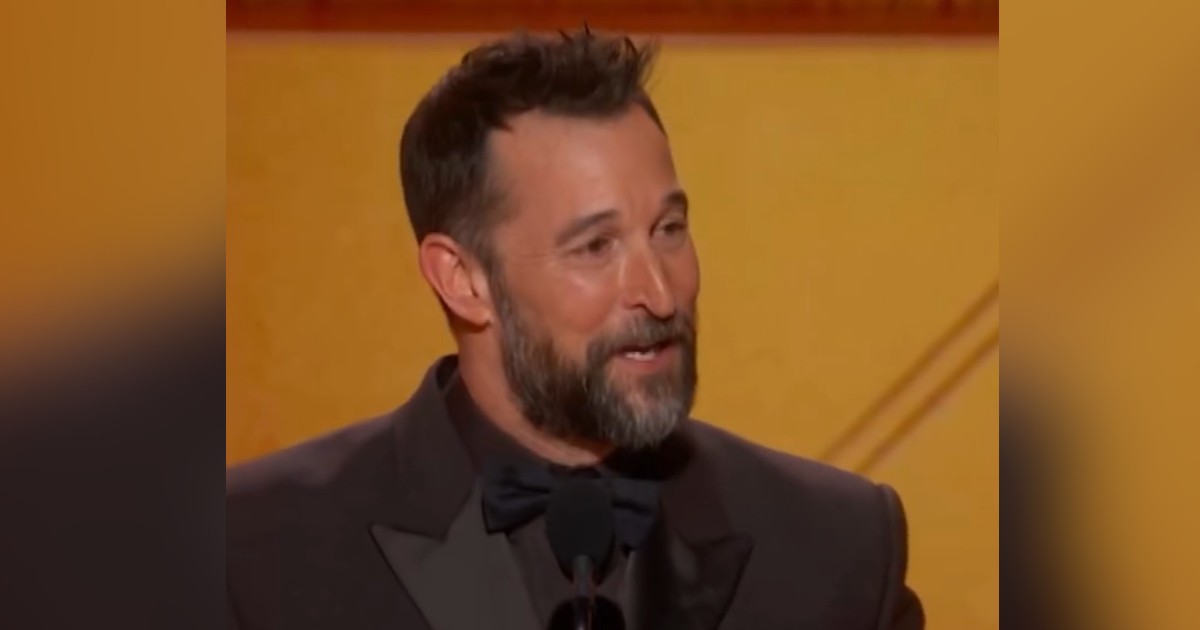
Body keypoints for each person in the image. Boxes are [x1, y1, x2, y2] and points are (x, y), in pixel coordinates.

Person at [227, 28, 923, 630]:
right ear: (463, 279)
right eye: (596, 247)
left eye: (669, 229)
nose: (660, 294)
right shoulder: (249, 553)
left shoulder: (840, 549)